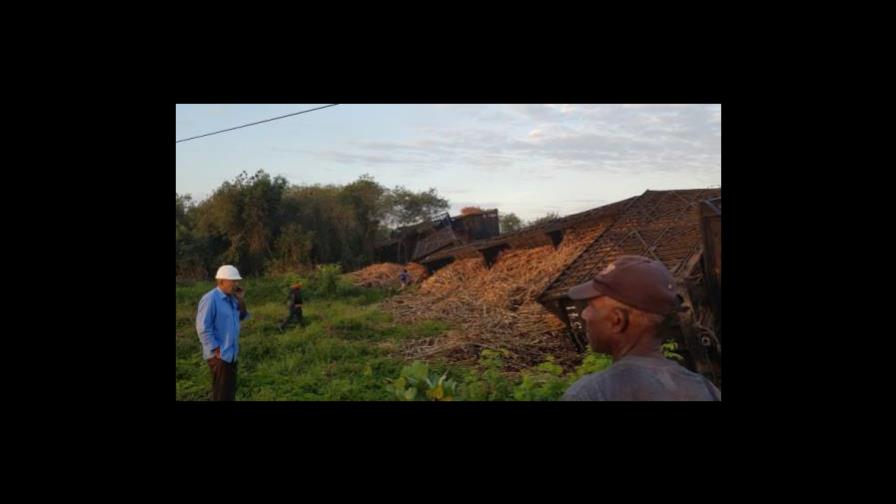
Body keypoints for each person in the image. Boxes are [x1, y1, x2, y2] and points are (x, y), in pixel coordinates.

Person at [561, 255, 720, 401]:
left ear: (618, 320)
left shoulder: (590, 394)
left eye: (591, 307)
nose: (585, 315)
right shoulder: (705, 390)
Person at [196, 265, 250, 401]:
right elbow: (203, 327)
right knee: (222, 393)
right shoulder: (210, 299)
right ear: (221, 281)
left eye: (237, 281)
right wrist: (215, 348)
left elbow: (242, 316)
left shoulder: (232, 299)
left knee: (228, 391)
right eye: (233, 281)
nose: (236, 284)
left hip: (231, 353)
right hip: (219, 355)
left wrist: (241, 299)